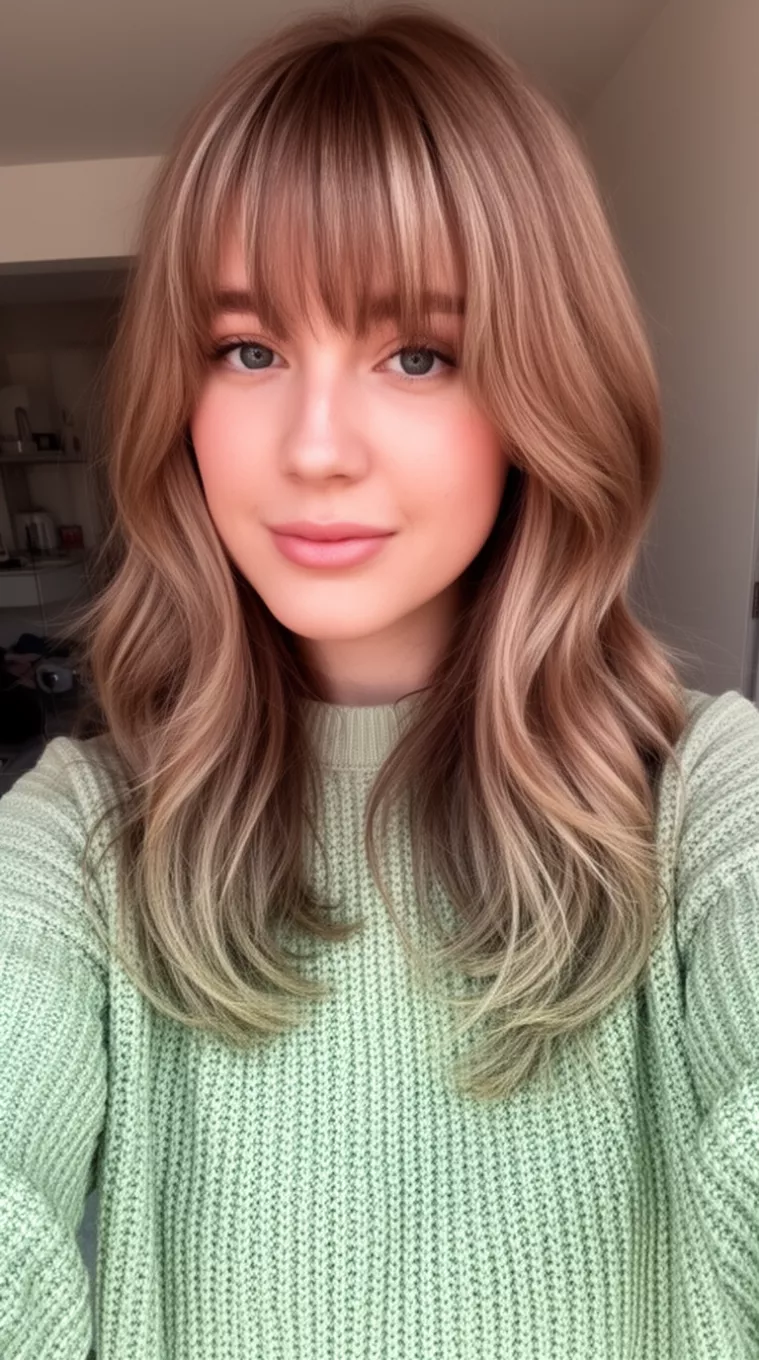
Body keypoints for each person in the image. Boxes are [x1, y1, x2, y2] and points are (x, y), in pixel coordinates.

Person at [1, 6, 758, 1357]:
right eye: (249, 349)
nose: (315, 447)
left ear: (545, 387)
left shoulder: (702, 796)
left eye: (417, 352)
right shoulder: (82, 830)